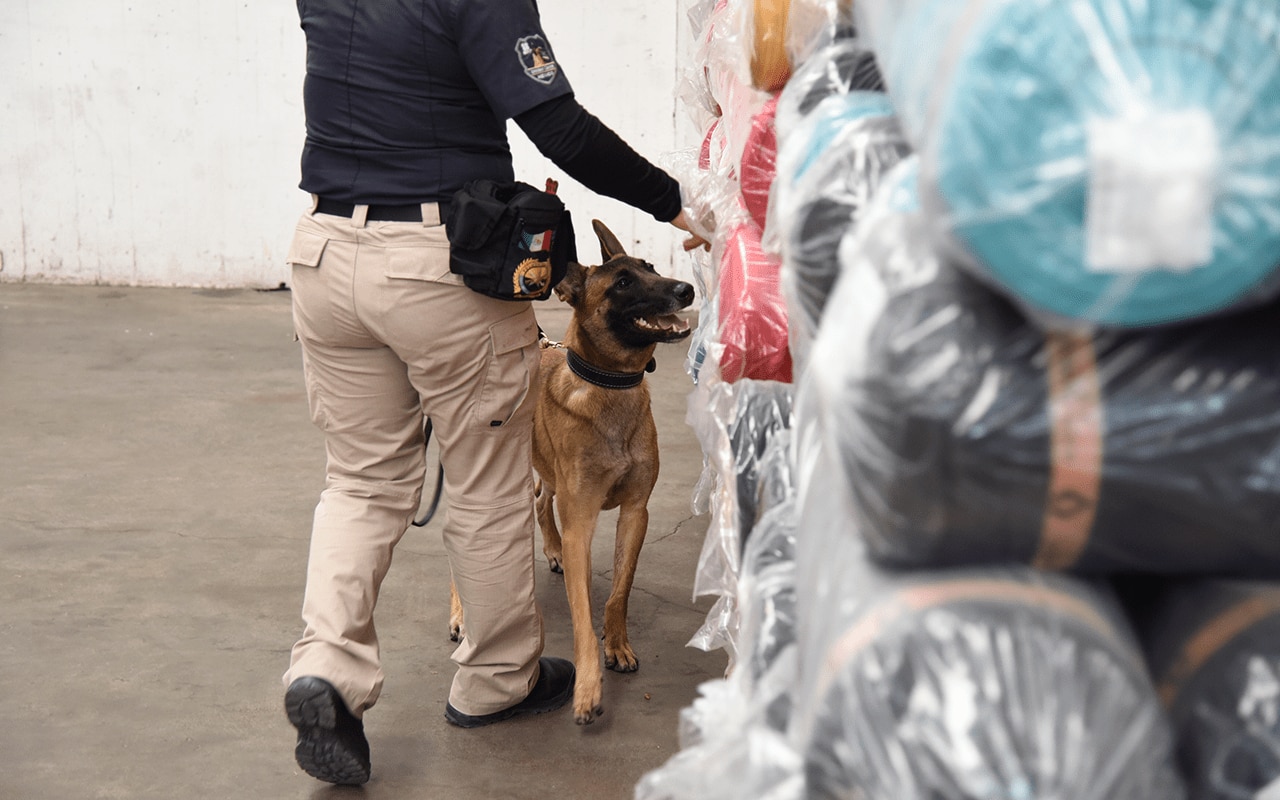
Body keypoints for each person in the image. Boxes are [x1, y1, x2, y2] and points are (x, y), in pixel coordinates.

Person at [281, 0, 709, 787]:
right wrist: (675, 200)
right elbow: (560, 128)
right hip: (439, 259)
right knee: (487, 484)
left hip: (322, 251)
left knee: (361, 482)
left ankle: (328, 672)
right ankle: (496, 682)